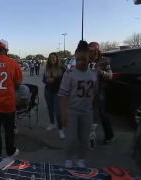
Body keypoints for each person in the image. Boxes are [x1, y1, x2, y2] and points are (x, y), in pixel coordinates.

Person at [59, 40, 98, 168]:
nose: (81, 62)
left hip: (87, 111)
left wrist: (94, 111)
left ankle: (81, 158)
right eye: (78, 59)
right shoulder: (69, 73)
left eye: (84, 59)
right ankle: (68, 158)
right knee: (71, 139)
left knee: (84, 139)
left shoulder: (93, 73)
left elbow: (94, 94)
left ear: (89, 58)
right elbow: (63, 96)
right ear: (75, 58)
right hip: (72, 111)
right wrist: (63, 114)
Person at [88, 42, 114, 145]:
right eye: (89, 50)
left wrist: (102, 73)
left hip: (99, 91)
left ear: (97, 50)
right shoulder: (86, 60)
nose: (91, 52)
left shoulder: (104, 61)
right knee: (87, 114)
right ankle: (88, 136)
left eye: (92, 50)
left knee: (102, 114)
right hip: (87, 91)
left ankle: (109, 135)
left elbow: (110, 75)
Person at [43, 52, 66, 139]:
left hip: (58, 91)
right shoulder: (47, 68)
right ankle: (52, 123)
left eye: (53, 58)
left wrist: (54, 80)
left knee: (58, 110)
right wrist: (46, 80)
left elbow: (65, 80)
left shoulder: (62, 68)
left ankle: (60, 129)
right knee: (50, 108)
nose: (52, 59)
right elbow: (43, 79)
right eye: (50, 58)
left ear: (57, 59)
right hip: (48, 90)